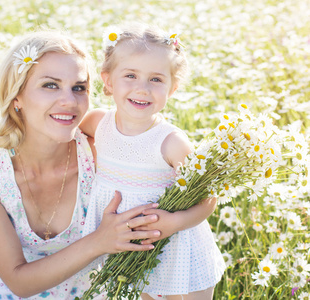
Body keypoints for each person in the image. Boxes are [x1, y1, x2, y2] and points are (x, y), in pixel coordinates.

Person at [0, 30, 164, 300]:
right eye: (50, 85)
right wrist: (99, 241)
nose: (69, 101)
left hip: (96, 291)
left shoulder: (101, 150)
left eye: (79, 88)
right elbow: (18, 282)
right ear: (16, 97)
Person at [80, 23, 226, 300]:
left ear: (173, 88)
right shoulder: (97, 122)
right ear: (108, 80)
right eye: (130, 76)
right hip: (121, 242)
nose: (142, 89)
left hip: (173, 244)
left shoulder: (171, 142)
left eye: (156, 79)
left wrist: (175, 222)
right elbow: (72, 141)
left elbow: (207, 198)